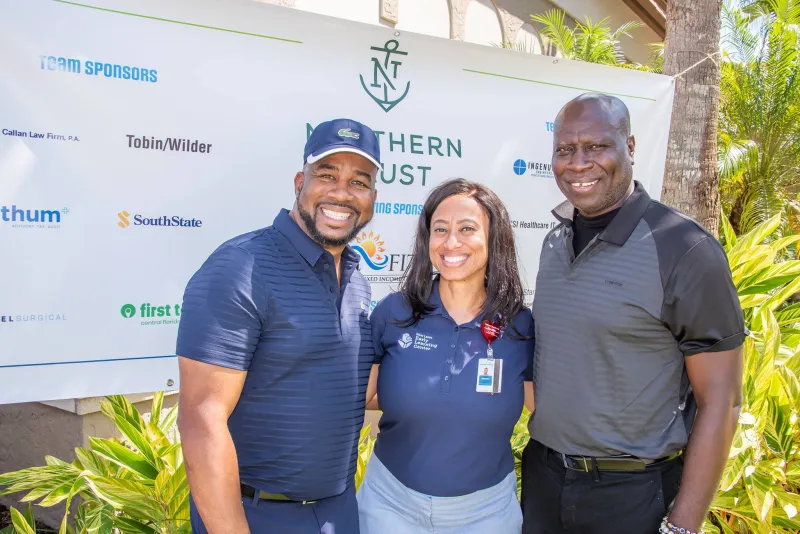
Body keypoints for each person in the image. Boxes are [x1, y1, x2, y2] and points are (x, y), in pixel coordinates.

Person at [521, 93, 745, 534]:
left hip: (631, 496)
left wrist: (683, 526)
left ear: (631, 147)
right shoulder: (553, 242)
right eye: (565, 150)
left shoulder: (684, 248)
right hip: (544, 479)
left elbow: (722, 400)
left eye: (597, 146)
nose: (579, 162)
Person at [175, 118, 381, 534]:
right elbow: (201, 417)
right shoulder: (240, 266)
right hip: (256, 515)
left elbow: (363, 391)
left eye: (359, 182)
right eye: (327, 176)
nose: (342, 192)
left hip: (338, 511)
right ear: (298, 181)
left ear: (373, 197)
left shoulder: (357, 278)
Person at [358, 178, 536, 534]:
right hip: (389, 506)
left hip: (487, 515)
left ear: (493, 239)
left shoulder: (520, 325)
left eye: (467, 228)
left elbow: (547, 414)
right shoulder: (394, 312)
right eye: (440, 229)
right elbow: (355, 399)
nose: (451, 241)